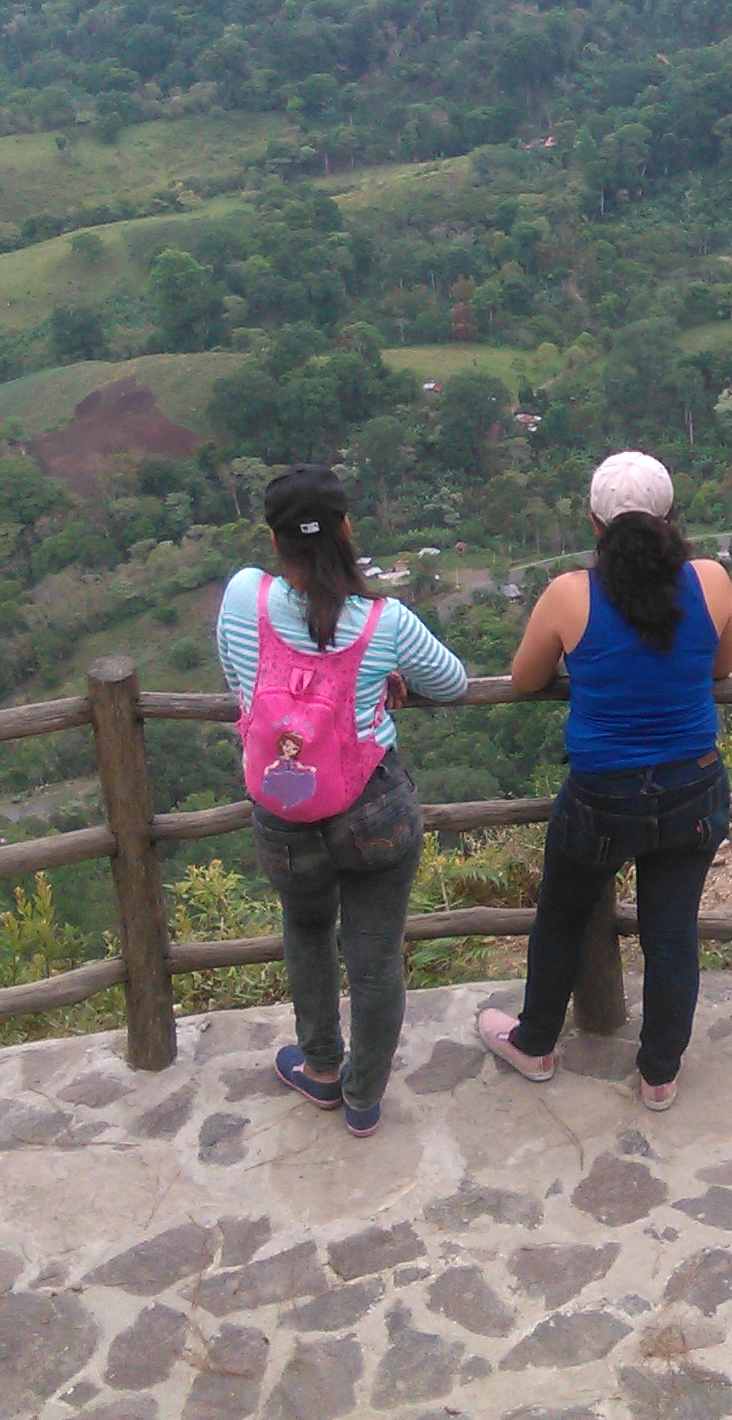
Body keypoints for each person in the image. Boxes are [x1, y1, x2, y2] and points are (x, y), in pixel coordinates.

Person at [479, 451, 732, 1109]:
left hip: (602, 793)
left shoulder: (569, 594)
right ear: (670, 517)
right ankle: (659, 1074)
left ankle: (536, 1042)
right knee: (671, 933)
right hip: (692, 784)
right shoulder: (711, 581)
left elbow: (525, 679)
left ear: (595, 524)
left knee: (562, 917)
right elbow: (720, 666)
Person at [218, 463, 469, 1136]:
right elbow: (454, 683)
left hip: (283, 806)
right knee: (375, 955)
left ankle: (321, 1068)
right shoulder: (384, 621)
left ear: (274, 540)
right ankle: (363, 1099)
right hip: (372, 810)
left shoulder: (243, 597)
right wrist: (381, 678)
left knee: (306, 929)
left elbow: (240, 681)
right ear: (347, 529)